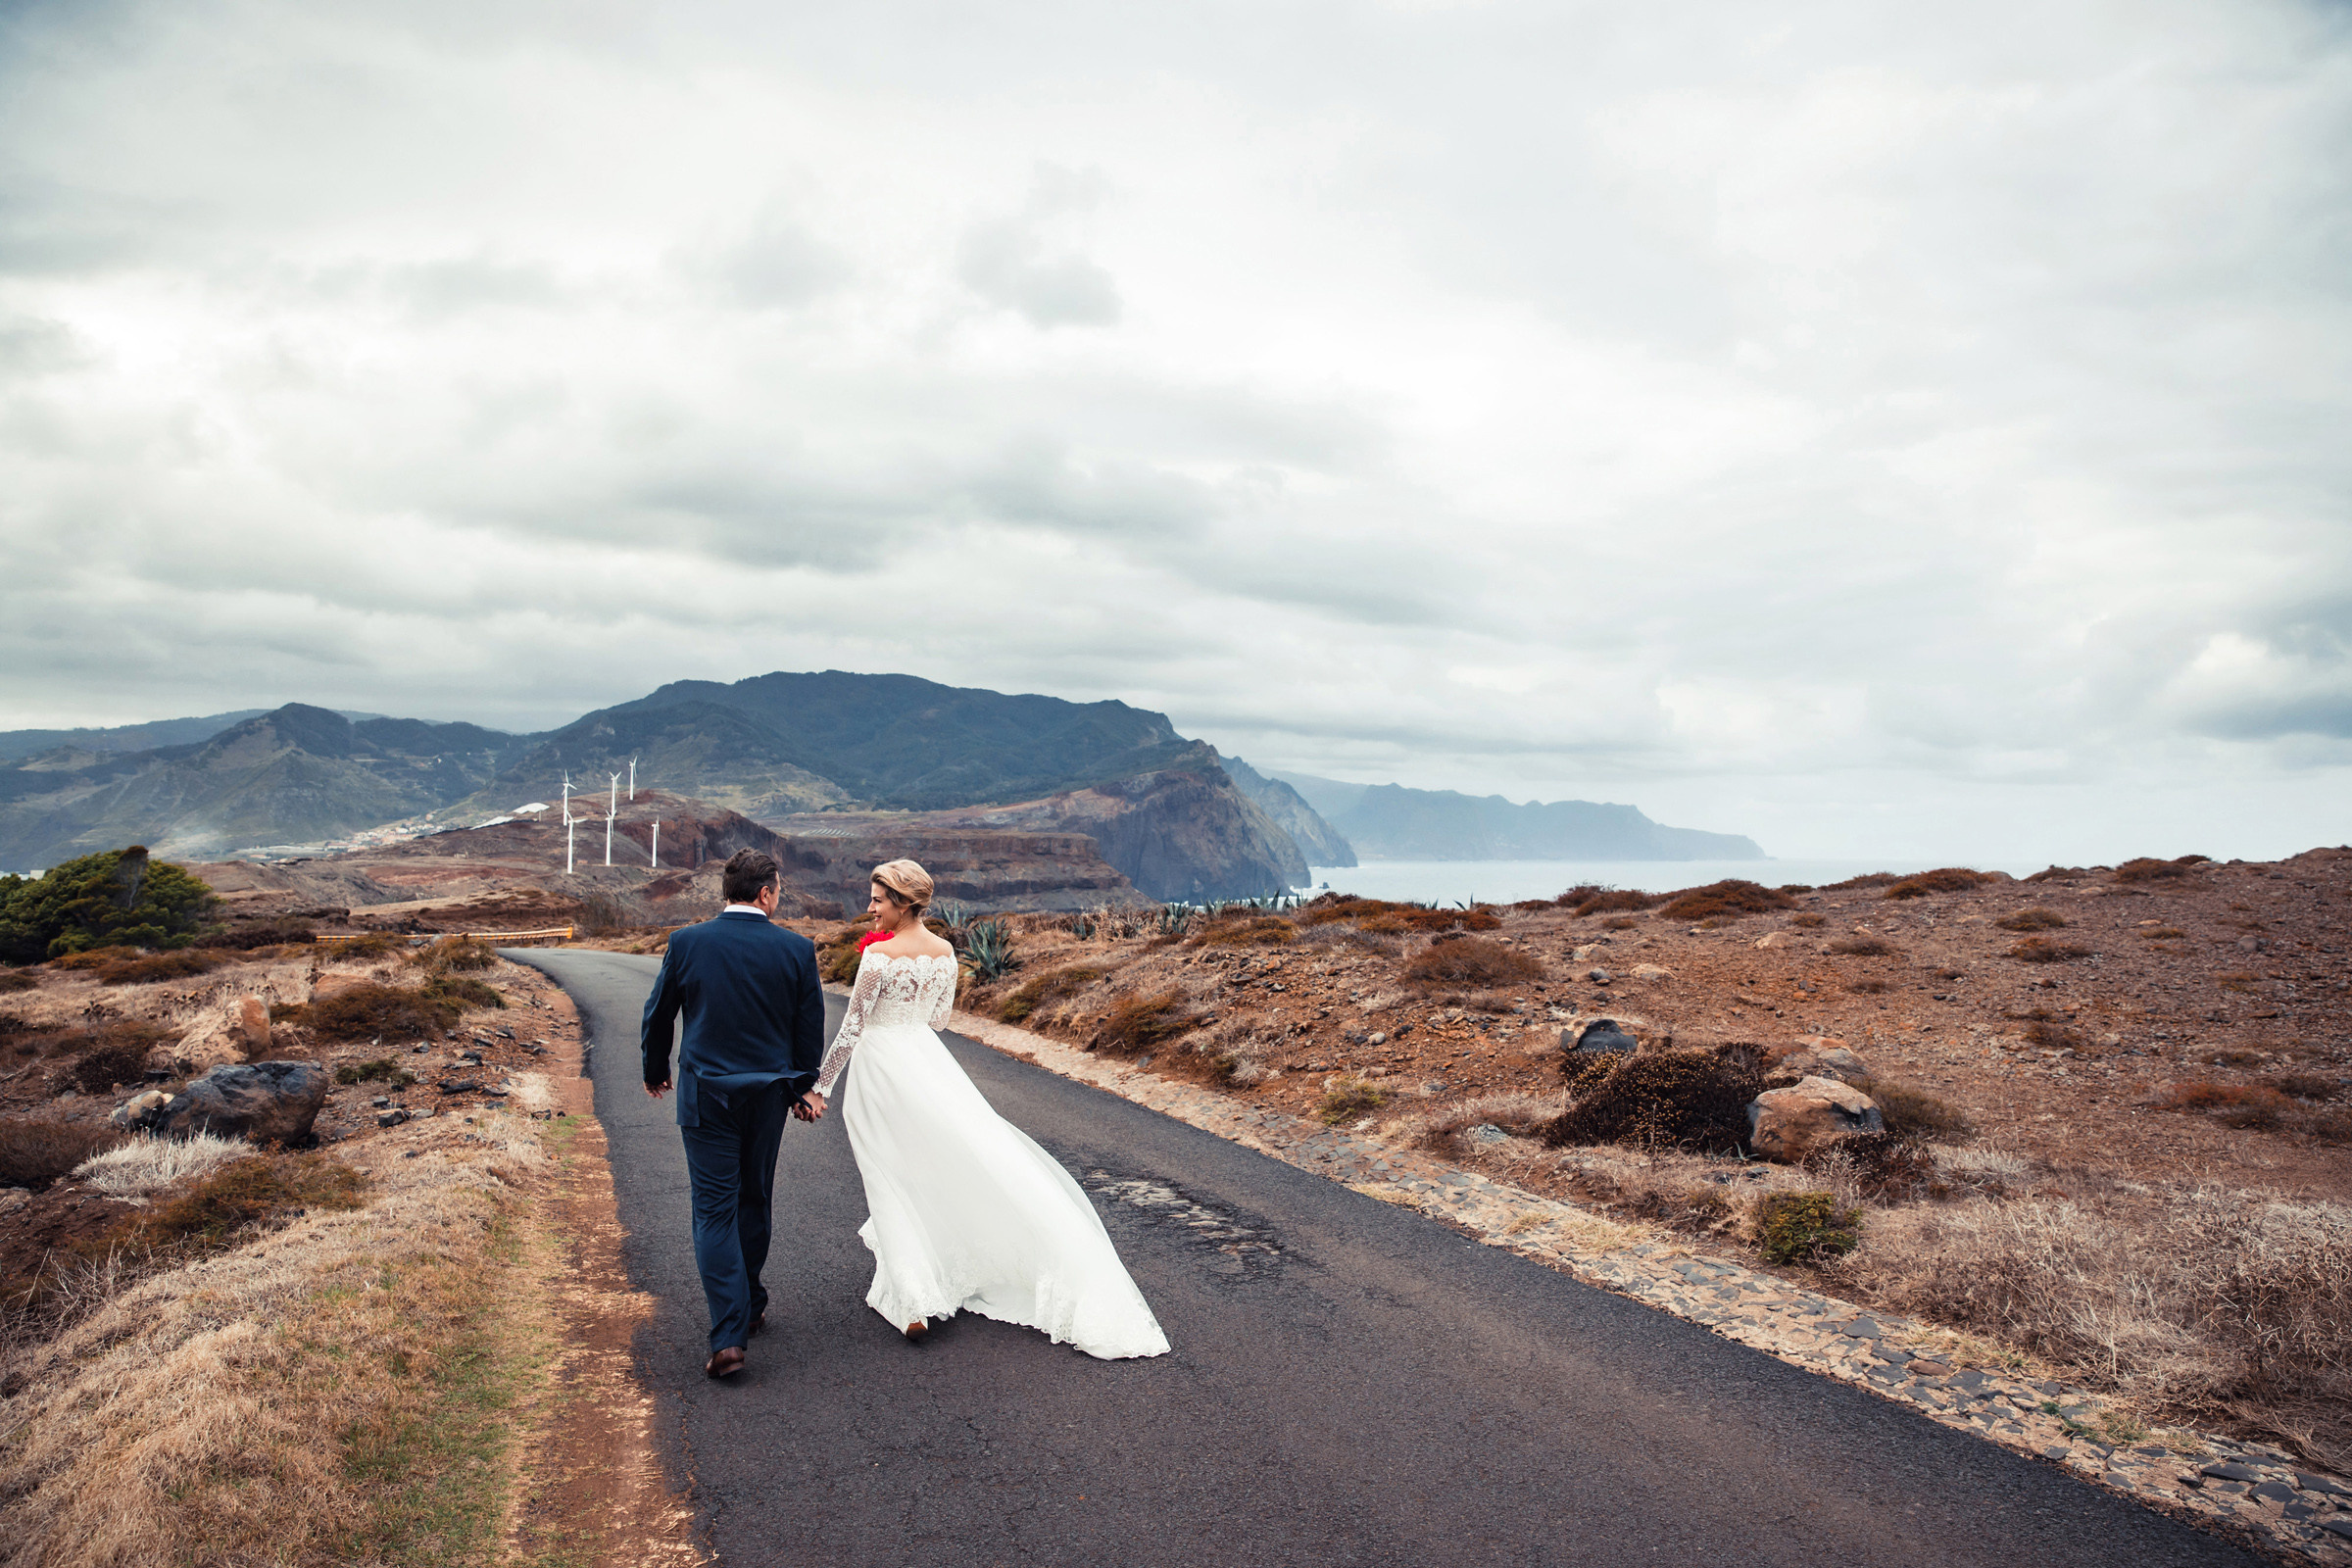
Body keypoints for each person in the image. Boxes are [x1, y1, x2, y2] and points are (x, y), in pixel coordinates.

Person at [803, 858, 1169, 1359]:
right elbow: (939, 1019)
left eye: (877, 900)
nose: (869, 908)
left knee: (887, 1172)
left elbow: (851, 1029)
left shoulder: (878, 958)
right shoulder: (946, 952)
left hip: (880, 1071)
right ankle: (925, 1278)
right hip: (928, 1066)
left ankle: (912, 1301)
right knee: (930, 1168)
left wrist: (821, 1087)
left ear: (904, 903)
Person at [641, 848, 827, 1379]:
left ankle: (730, 1335)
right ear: (766, 893)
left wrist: (655, 1070)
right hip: (768, 1097)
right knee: (754, 1196)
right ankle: (753, 1302)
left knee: (714, 1209)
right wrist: (801, 1088)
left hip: (706, 1098)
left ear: (728, 892)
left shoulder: (687, 943)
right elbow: (806, 1030)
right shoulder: (796, 950)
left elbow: (659, 1016)